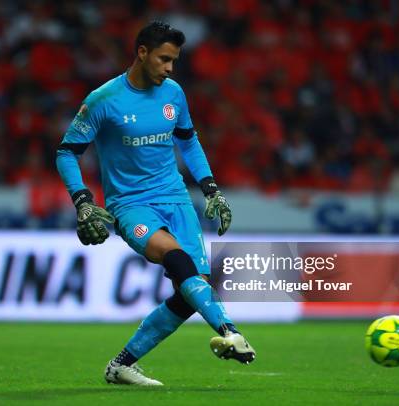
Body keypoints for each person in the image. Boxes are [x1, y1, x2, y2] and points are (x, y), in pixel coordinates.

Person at [56, 21, 255, 386]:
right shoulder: (104, 99)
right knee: (176, 258)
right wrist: (82, 200)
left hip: (177, 199)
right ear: (142, 53)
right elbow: (67, 152)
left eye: (174, 61)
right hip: (131, 204)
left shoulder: (174, 93)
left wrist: (211, 189)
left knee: (191, 288)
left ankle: (121, 366)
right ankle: (230, 331)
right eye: (164, 59)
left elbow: (188, 141)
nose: (170, 68)